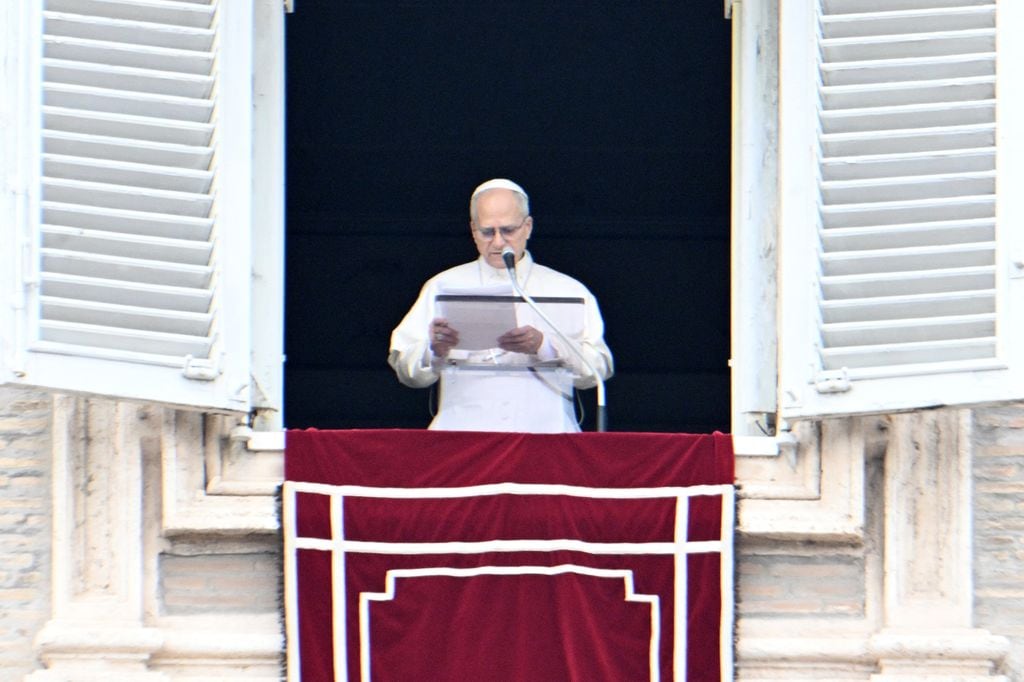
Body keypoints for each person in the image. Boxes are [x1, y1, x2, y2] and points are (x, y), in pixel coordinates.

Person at [388, 178, 613, 432]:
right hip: (462, 435)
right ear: (473, 230)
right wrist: (433, 349)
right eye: (487, 232)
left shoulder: (569, 290)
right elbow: (405, 370)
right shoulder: (442, 285)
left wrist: (544, 346)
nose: (497, 242)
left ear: (527, 227)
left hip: (547, 435)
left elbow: (599, 368)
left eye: (508, 230)